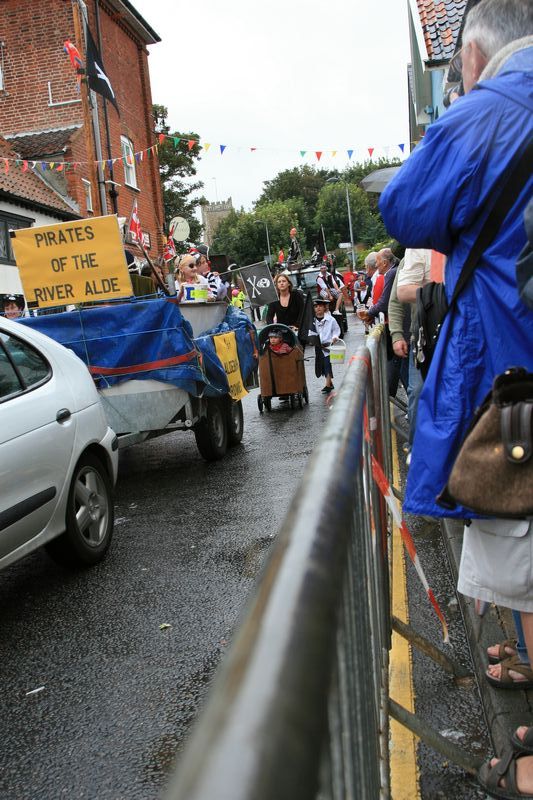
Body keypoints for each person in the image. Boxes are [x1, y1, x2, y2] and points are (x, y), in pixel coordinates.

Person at [380, 1, 533, 793]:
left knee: (524, 545)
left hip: (517, 382)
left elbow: (406, 209)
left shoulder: (486, 110)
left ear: (470, 56)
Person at [308, 298, 341, 394]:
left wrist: (335, 337)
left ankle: (327, 385)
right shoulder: (313, 321)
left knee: (327, 364)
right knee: (321, 364)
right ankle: (330, 382)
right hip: (318, 346)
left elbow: (336, 330)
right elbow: (310, 332)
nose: (318, 308)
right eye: (316, 306)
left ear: (324, 307)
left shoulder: (331, 320)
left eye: (320, 306)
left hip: (328, 346)